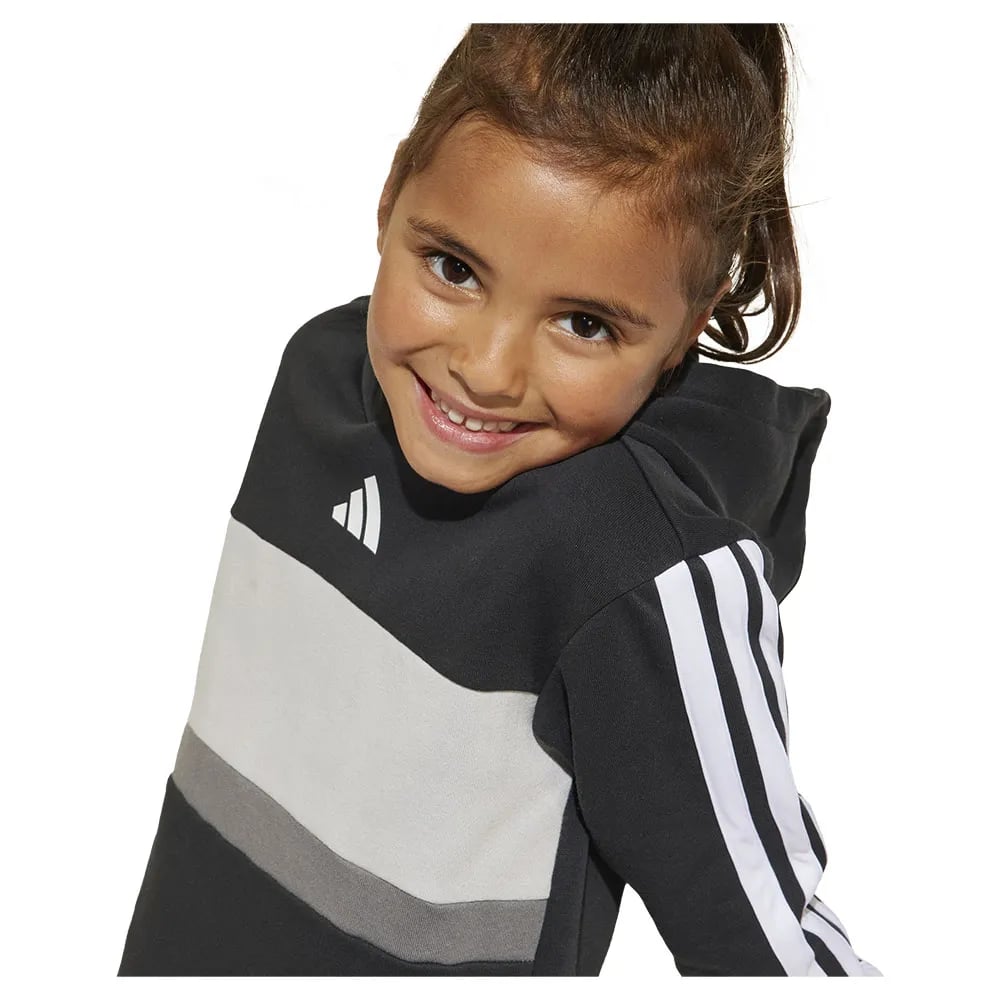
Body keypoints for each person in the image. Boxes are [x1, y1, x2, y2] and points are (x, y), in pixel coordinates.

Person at [118, 24, 881, 976]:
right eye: (453, 268)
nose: (485, 370)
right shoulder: (319, 370)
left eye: (584, 323)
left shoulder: (633, 574)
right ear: (392, 192)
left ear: (688, 326)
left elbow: (771, 949)